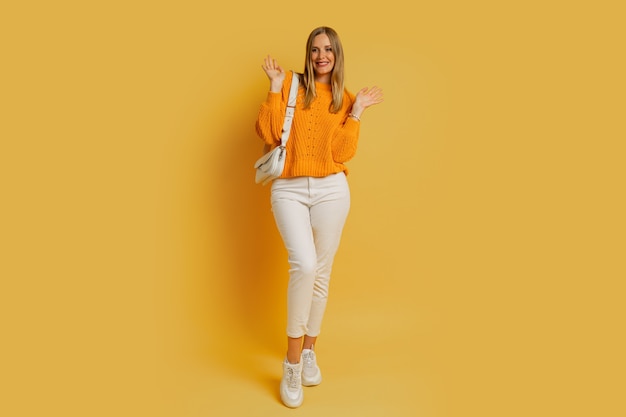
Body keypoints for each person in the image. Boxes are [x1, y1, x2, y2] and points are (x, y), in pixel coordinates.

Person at [255, 26, 383, 408]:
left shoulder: (342, 98)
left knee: (321, 273)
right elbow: (266, 131)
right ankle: (292, 363)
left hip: (331, 190)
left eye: (328, 49)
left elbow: (342, 153)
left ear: (336, 54)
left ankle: (310, 350)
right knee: (305, 265)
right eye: (315, 49)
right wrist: (275, 88)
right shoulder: (291, 85)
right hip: (289, 188)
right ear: (307, 55)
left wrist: (356, 111)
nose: (321, 56)